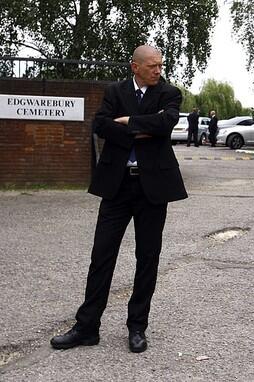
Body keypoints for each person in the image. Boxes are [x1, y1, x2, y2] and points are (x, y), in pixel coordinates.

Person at [50, 45, 187, 353]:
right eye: (152, 66)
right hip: (117, 186)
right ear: (135, 66)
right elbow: (100, 124)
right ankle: (87, 327)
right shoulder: (114, 91)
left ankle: (137, 327)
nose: (158, 70)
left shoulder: (169, 93)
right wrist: (140, 127)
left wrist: (126, 121)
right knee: (101, 256)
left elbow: (166, 125)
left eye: (160, 65)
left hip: (153, 188)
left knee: (147, 258)